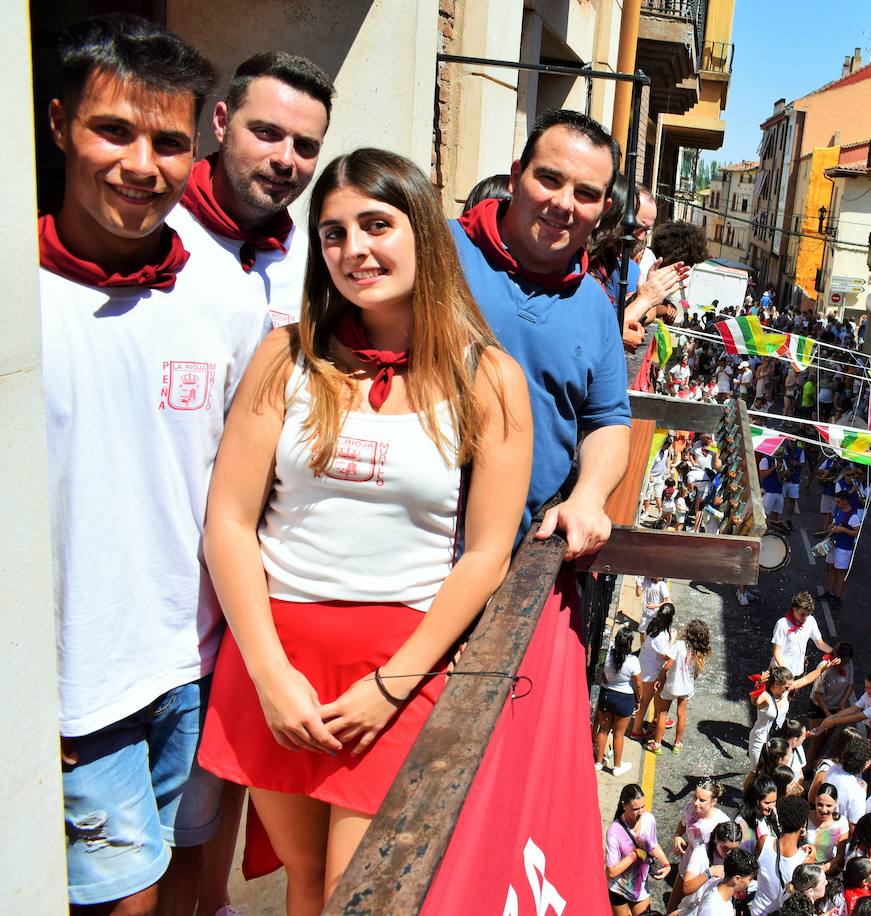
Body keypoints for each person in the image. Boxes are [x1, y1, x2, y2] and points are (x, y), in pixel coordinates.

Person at [198, 147, 532, 910]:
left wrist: (395, 683)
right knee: (305, 884)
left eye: (376, 225)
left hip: (399, 663)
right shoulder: (286, 359)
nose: (354, 250)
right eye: (333, 233)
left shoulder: (490, 380)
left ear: (421, 230)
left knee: (361, 894)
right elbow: (230, 519)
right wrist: (269, 673)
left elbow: (485, 554)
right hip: (275, 658)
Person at [41, 15, 228, 913]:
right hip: (76, 695)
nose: (142, 165)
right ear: (56, 125)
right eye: (112, 130)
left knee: (193, 885)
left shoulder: (222, 299)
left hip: (195, 672)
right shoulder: (18, 293)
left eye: (168, 142)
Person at [451, 108, 632, 555]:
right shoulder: (439, 249)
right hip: (400, 548)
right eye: (549, 179)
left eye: (586, 193)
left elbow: (608, 419)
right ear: (516, 177)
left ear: (603, 209)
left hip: (510, 560)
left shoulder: (595, 305)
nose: (564, 204)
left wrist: (588, 495)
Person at [168, 51, 333, 330]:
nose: (284, 159)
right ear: (222, 122)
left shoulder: (315, 268)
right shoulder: (152, 230)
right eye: (267, 132)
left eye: (305, 146)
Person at [750, 663, 835, 766]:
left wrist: (825, 667)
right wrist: (758, 685)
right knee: (756, 770)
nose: (789, 689)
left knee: (774, 769)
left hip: (777, 738)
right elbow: (754, 701)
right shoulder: (765, 696)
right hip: (760, 739)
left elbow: (807, 679)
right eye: (786, 687)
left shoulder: (785, 692)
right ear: (776, 684)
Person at [606, 783, 672, 915]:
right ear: (624, 805)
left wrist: (666, 863)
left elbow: (653, 845)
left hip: (640, 888)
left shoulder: (649, 820)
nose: (641, 812)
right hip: (618, 888)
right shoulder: (614, 830)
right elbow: (611, 872)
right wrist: (636, 854)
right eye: (636, 809)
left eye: (643, 807)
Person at [754, 797, 818, 915]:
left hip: (758, 910)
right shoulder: (806, 860)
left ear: (780, 821)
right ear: (803, 824)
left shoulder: (763, 842)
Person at [659, 619, 713, 753]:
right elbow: (696, 673)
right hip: (686, 687)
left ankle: (657, 744)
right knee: (681, 715)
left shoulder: (679, 645)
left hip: (672, 684)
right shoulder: (698, 652)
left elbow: (667, 665)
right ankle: (677, 743)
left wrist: (660, 678)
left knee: (663, 713)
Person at [594, 628, 643, 775]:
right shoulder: (633, 661)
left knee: (603, 730)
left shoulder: (608, 654)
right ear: (629, 644)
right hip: (625, 699)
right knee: (618, 734)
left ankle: (598, 761)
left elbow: (601, 671)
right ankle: (617, 766)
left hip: (606, 695)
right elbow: (638, 684)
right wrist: (638, 700)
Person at [630, 603, 677, 745]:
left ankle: (657, 719)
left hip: (645, 666)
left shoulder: (653, 626)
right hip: (650, 673)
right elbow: (665, 656)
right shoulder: (661, 636)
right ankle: (636, 730)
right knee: (644, 701)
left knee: (657, 695)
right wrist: (673, 640)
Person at [774, 592, 835, 678]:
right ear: (794, 609)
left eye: (808, 614)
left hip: (798, 670)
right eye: (802, 614)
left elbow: (820, 643)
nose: (805, 618)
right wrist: (785, 673)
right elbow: (777, 651)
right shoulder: (782, 624)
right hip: (781, 671)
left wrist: (835, 652)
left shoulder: (811, 621)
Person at [823, 489, 866, 605]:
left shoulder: (854, 517)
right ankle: (830, 592)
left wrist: (843, 530)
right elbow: (835, 522)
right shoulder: (839, 510)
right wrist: (831, 525)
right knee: (830, 568)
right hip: (834, 543)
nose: (837, 504)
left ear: (845, 501)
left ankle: (838, 598)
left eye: (839, 502)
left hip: (844, 548)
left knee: (840, 573)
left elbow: (856, 533)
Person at [681, 820, 743, 898]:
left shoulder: (736, 856)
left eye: (734, 849)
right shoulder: (701, 853)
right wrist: (709, 873)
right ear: (716, 839)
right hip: (696, 905)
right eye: (725, 848)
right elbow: (686, 888)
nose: (729, 852)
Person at [693, 848, 760, 916]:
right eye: (749, 879)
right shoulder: (713, 909)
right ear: (736, 879)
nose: (751, 883)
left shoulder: (718, 884)